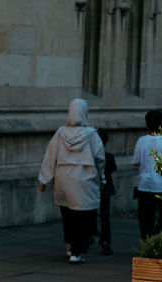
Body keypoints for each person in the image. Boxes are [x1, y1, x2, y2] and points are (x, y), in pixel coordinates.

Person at [37, 98, 106, 264]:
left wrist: (43, 179)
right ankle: (77, 250)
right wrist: (102, 179)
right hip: (85, 179)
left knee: (67, 214)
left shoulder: (60, 133)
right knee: (83, 217)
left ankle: (70, 245)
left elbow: (50, 157)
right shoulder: (92, 135)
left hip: (63, 178)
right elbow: (100, 159)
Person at [133, 110, 162, 239]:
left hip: (144, 184)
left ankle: (147, 238)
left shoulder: (141, 140)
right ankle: (158, 234)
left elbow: (136, 162)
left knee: (145, 216)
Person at [98, 129, 117, 255]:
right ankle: (105, 241)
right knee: (105, 216)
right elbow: (113, 168)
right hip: (106, 189)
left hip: (93, 188)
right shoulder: (109, 156)